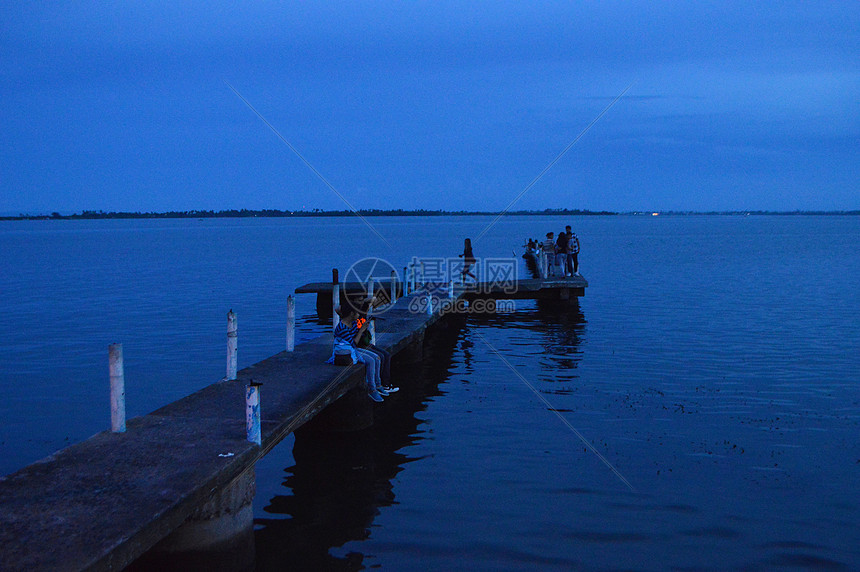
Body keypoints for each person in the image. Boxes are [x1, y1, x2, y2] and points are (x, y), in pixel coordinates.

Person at [328, 305, 386, 402]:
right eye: (357, 313)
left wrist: (362, 330)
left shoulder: (353, 323)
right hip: (348, 351)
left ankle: (378, 384)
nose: (358, 315)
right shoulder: (342, 328)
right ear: (351, 314)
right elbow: (353, 343)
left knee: (377, 357)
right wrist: (361, 330)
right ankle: (372, 389)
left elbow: (356, 341)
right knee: (371, 361)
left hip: (353, 349)